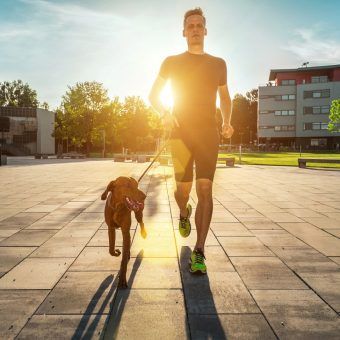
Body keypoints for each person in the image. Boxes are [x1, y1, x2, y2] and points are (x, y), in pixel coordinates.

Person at [149, 7, 233, 274]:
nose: (195, 29)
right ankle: (184, 212)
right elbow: (153, 95)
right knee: (182, 191)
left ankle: (199, 251)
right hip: (181, 134)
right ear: (184, 32)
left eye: (199, 25)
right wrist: (164, 113)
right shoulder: (171, 62)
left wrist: (227, 121)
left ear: (205, 30)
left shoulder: (218, 63)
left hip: (209, 133)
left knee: (206, 189)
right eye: (190, 26)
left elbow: (226, 97)